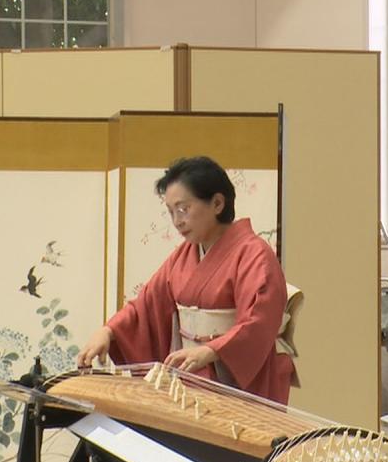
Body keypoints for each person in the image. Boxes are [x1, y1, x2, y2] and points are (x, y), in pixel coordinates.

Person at [77, 156, 295, 404]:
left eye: (183, 209)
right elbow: (146, 305)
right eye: (171, 212)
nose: (177, 221)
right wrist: (109, 331)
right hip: (191, 378)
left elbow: (258, 322)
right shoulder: (184, 255)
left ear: (217, 203)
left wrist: (213, 350)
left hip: (235, 382)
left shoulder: (254, 255)